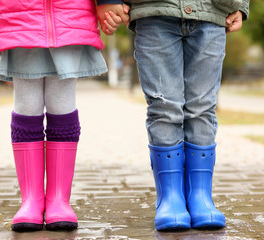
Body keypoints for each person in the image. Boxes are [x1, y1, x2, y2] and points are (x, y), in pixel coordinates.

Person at [0, 0, 129, 232]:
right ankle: (31, 200)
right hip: (19, 17)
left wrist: (108, 2)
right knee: (27, 106)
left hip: (70, 16)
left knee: (62, 105)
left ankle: (59, 199)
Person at [104, 0, 249, 231]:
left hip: (212, 12)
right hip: (154, 12)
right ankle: (170, 198)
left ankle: (200, 197)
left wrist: (241, 5)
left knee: (202, 108)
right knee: (164, 107)